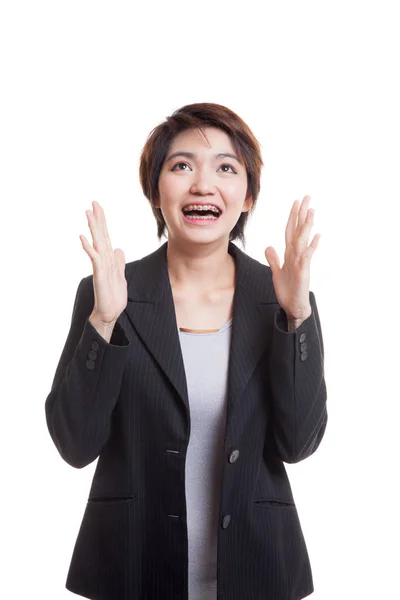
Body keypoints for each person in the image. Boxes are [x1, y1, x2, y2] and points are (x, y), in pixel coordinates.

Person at [45, 102, 327, 600]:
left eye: (225, 167)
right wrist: (104, 321)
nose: (202, 184)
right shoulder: (108, 292)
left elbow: (299, 444)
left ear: (247, 197)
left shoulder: (282, 297)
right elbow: (75, 445)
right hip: (132, 570)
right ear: (157, 191)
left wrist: (296, 317)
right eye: (181, 166)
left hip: (257, 571)